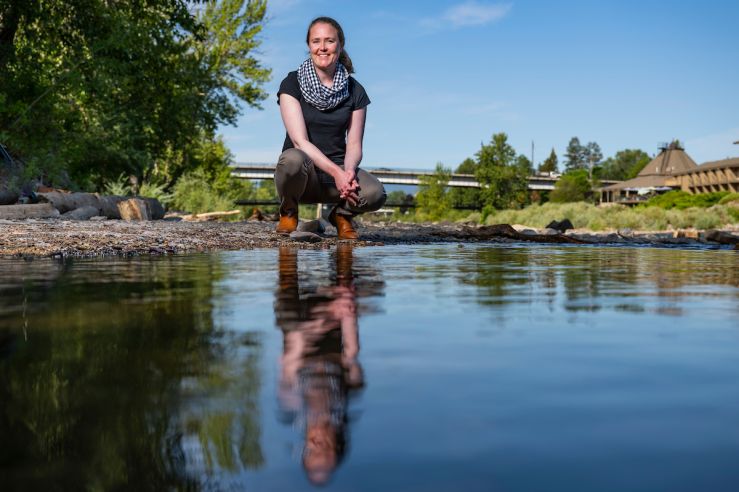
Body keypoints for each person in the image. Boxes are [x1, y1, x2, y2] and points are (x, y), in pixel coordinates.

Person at [275, 16, 386, 240]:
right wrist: (337, 173)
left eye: (329, 41)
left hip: (337, 179)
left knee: (376, 193)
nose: (322, 47)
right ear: (309, 46)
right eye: (316, 41)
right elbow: (300, 142)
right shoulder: (291, 83)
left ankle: (342, 216)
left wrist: (348, 173)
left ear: (340, 44)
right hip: (304, 178)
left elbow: (354, 144)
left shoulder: (355, 91)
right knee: (292, 158)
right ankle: (289, 211)